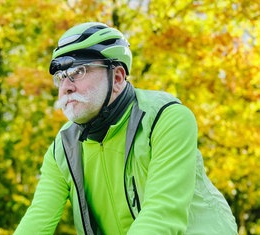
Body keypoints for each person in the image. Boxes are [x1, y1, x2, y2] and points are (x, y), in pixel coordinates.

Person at [14, 22, 238, 235]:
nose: (66, 87)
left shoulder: (166, 118)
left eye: (79, 71)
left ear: (118, 77)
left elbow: (162, 213)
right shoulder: (63, 147)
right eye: (60, 77)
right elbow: (38, 218)